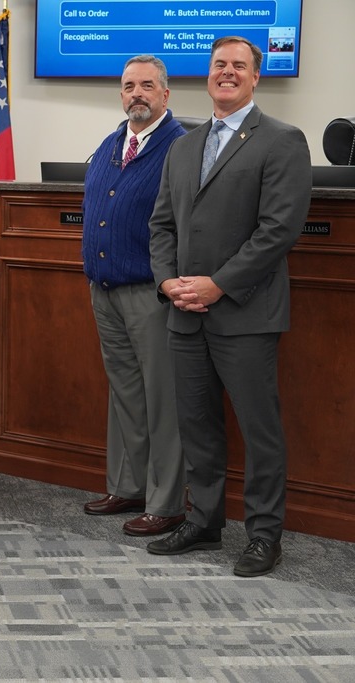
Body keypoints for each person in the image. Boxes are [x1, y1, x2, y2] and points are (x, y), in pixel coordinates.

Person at [146, 37, 312, 577]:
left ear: (255, 77)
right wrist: (169, 282)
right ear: (208, 73)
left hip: (245, 312)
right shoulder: (183, 147)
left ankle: (264, 535)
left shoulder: (283, 140)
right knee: (197, 426)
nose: (227, 73)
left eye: (239, 66)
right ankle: (204, 520)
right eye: (219, 65)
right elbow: (163, 226)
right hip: (184, 314)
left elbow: (278, 231)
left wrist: (218, 284)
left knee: (259, 430)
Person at [81, 56, 187, 537]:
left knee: (162, 398)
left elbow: (184, 226)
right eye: (129, 86)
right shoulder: (110, 143)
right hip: (105, 291)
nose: (137, 93)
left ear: (165, 94)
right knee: (124, 394)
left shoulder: (180, 146)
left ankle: (166, 502)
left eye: (147, 85)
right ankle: (127, 485)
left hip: (152, 293)